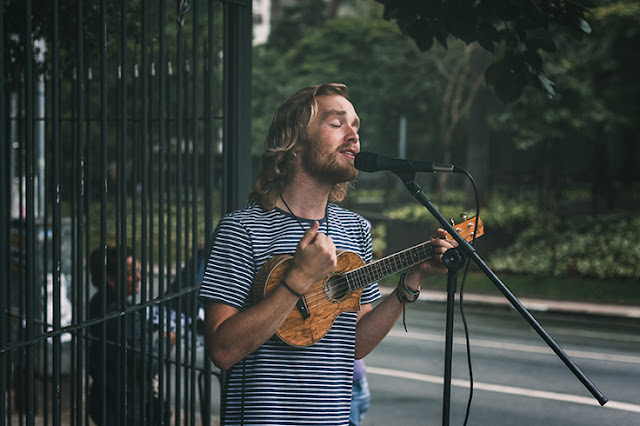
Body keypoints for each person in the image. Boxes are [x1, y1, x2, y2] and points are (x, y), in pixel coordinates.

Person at [199, 83, 457, 425]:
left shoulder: (355, 229)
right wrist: (298, 279)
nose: (353, 136)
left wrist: (412, 280)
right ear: (294, 141)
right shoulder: (241, 229)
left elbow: (355, 345)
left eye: (356, 126)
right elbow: (222, 350)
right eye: (337, 124)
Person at [87, 246, 173, 426]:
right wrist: (166, 342)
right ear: (111, 279)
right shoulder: (122, 316)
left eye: (139, 272)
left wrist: (146, 327)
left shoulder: (98, 303)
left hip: (104, 398)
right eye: (131, 274)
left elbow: (122, 342)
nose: (139, 277)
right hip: (128, 407)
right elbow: (148, 366)